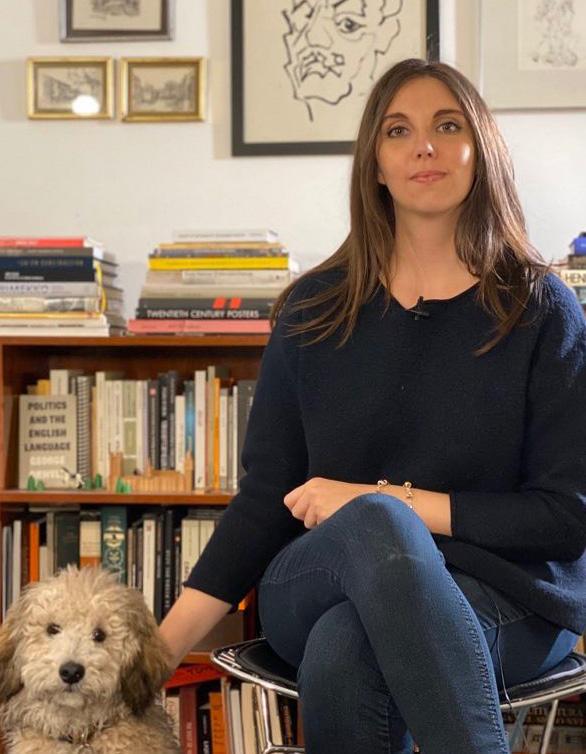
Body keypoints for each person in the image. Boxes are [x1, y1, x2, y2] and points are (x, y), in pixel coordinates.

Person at [159, 58, 586, 753]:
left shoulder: (542, 311)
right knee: (373, 533)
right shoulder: (313, 310)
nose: (424, 147)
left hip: (505, 598)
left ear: (481, 151)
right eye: (398, 130)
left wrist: (390, 500)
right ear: (375, 164)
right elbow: (266, 500)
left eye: (448, 126)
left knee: (345, 646)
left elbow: (567, 516)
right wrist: (153, 658)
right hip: (323, 577)